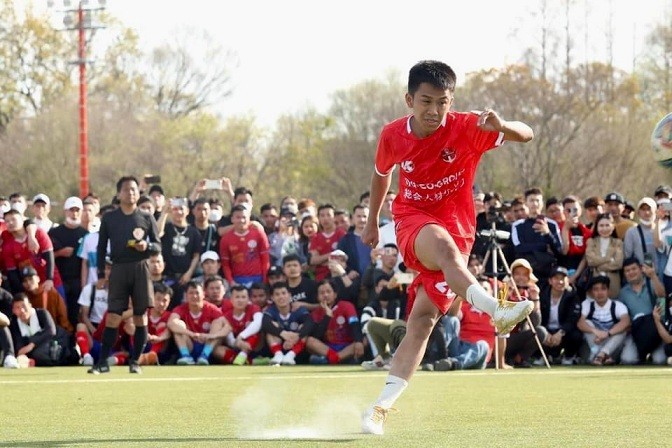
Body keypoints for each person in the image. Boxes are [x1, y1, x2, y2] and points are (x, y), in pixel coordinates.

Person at [360, 60, 534, 434]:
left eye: (443, 102)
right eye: (426, 101)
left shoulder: (468, 127)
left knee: (421, 323)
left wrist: (503, 127)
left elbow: (528, 133)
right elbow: (380, 175)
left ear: (451, 101)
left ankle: (379, 409)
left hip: (460, 229)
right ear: (409, 100)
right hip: (413, 220)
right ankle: (494, 309)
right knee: (444, 252)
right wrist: (374, 220)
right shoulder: (392, 135)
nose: (434, 111)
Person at [87, 175, 161, 375]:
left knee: (140, 317)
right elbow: (101, 248)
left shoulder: (146, 217)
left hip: (140, 269)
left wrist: (148, 246)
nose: (131, 193)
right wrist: (102, 274)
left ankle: (135, 361)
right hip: (118, 269)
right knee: (113, 316)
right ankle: (102, 362)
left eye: (134, 189)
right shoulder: (110, 218)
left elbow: (157, 245)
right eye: (127, 189)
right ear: (119, 193)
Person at [617, 257, 666, 365]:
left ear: (640, 269)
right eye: (627, 271)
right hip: (636, 331)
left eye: (633, 269)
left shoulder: (651, 283)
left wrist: (653, 276)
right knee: (627, 360)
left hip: (655, 329)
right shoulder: (623, 292)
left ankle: (649, 354)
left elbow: (662, 295)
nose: (631, 273)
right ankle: (643, 354)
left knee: (660, 360)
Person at [168, 281, 230, 365]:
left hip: (208, 344)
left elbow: (228, 326)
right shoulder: (181, 308)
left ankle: (205, 355)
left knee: (218, 322)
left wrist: (212, 336)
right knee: (178, 324)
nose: (194, 296)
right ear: (186, 295)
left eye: (197, 293)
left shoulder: (211, 308)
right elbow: (171, 323)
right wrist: (191, 334)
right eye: (191, 293)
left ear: (203, 294)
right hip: (190, 345)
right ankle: (185, 356)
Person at [49, 196, 88, 328]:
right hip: (59, 281)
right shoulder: (54, 233)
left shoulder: (85, 234)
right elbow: (45, 258)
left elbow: (86, 262)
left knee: (75, 315)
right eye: (71, 210)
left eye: (77, 210)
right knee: (59, 315)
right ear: (65, 211)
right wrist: (60, 253)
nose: (74, 213)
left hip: (77, 281)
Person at [511, 187, 563, 284]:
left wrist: (548, 234)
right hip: (526, 274)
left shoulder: (552, 224)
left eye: (537, 200)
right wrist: (543, 246)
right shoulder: (518, 225)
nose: (535, 204)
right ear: (526, 203)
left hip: (548, 274)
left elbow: (559, 249)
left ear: (542, 203)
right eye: (531, 200)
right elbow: (518, 248)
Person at [306, 279, 365, 364]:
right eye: (322, 293)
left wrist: (359, 342)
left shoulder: (346, 306)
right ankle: (337, 358)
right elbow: (317, 336)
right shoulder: (316, 312)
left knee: (365, 339)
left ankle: (334, 359)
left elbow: (354, 324)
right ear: (317, 297)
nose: (325, 295)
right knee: (309, 341)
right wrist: (327, 317)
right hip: (328, 348)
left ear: (335, 294)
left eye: (328, 292)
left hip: (347, 346)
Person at [577, 275, 630, 365]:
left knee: (623, 328)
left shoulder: (617, 305)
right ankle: (602, 356)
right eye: (596, 289)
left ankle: (602, 354)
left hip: (613, 346)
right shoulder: (587, 304)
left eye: (603, 289)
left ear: (608, 291)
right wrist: (596, 331)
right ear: (592, 292)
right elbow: (580, 323)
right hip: (594, 344)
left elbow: (626, 321)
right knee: (587, 322)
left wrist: (607, 334)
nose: (600, 293)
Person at [262, 282, 314, 365]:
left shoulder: (298, 309)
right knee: (272, 326)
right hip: (279, 344)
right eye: (277, 294)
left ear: (289, 295)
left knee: (303, 327)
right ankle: (278, 355)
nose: (281, 297)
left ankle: (290, 356)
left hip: (297, 348)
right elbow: (265, 323)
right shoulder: (271, 310)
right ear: (272, 297)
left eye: (284, 293)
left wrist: (297, 336)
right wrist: (283, 333)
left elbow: (310, 323)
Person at [538, 266, 582, 365]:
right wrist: (545, 333)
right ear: (550, 281)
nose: (560, 282)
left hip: (563, 331)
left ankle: (568, 356)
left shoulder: (573, 295)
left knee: (576, 335)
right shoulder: (542, 294)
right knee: (536, 332)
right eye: (556, 278)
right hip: (547, 330)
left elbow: (573, 318)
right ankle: (542, 356)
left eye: (563, 278)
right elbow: (537, 317)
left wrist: (561, 332)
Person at [219, 204, 270, 288]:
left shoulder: (259, 234)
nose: (241, 220)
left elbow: (265, 259)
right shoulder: (226, 239)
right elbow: (225, 264)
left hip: (258, 278)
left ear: (249, 218)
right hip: (238, 280)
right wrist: (231, 282)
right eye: (238, 217)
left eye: (244, 217)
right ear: (232, 219)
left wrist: (265, 280)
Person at [216, 285, 263, 365]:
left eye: (243, 297)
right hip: (237, 347)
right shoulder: (227, 316)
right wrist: (238, 343)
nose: (240, 300)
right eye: (237, 297)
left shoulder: (254, 308)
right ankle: (250, 361)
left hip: (254, 346)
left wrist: (241, 336)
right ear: (231, 300)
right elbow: (229, 340)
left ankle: (243, 356)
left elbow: (258, 323)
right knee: (217, 350)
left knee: (254, 328)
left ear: (248, 299)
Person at [584, 213, 624, 299]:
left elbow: (618, 263)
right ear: (597, 227)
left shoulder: (618, 243)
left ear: (613, 226)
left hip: (613, 285)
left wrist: (598, 265)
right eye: (601, 225)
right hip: (594, 283)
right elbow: (591, 261)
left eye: (607, 225)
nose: (604, 228)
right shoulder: (591, 241)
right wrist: (609, 259)